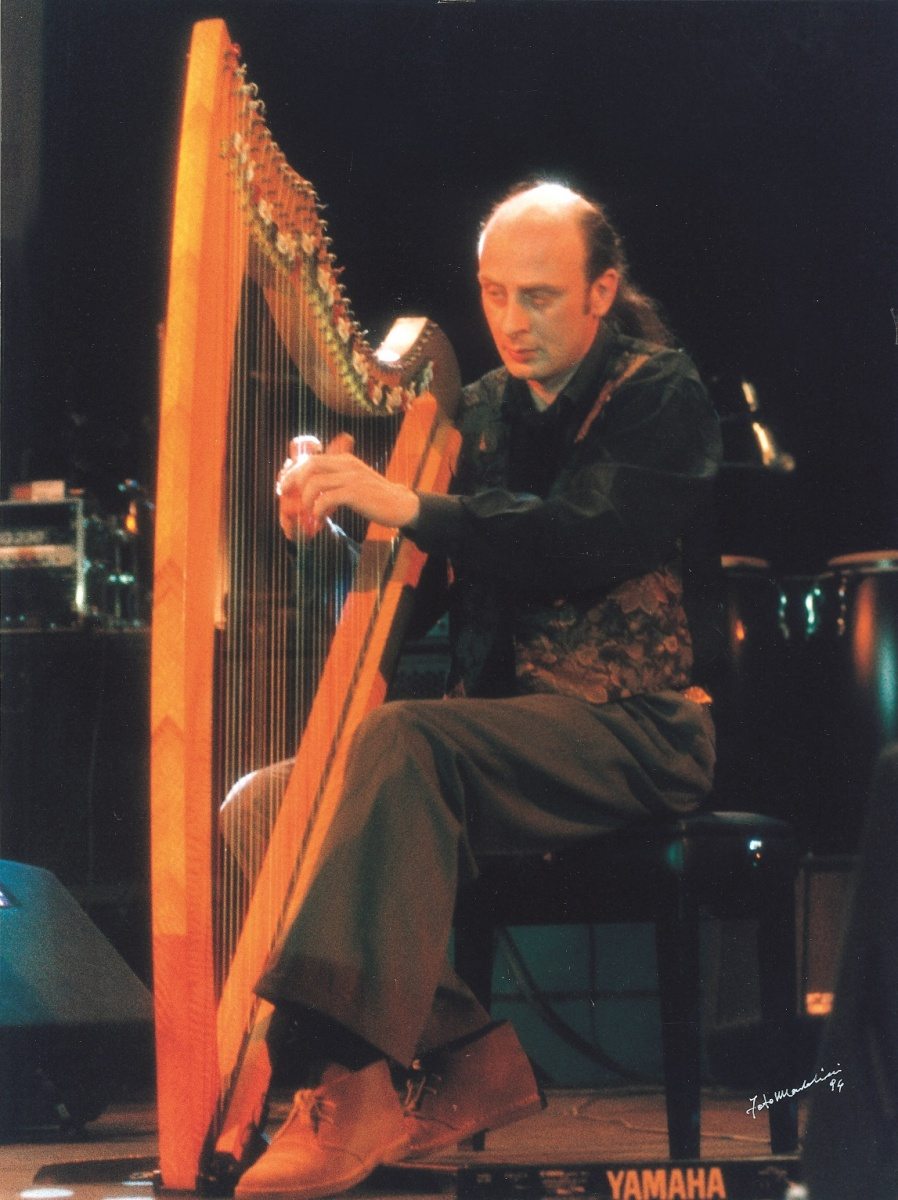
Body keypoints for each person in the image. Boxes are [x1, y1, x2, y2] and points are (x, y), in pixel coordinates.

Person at [227, 181, 722, 1200]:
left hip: (630, 731)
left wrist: (406, 502)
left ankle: (349, 1079)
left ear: (601, 291)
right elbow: (411, 601)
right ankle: (463, 1056)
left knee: (407, 738)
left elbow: (578, 539)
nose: (511, 319)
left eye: (539, 296)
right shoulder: (479, 411)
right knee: (262, 807)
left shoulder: (661, 394)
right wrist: (333, 515)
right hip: (492, 742)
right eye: (495, 293)